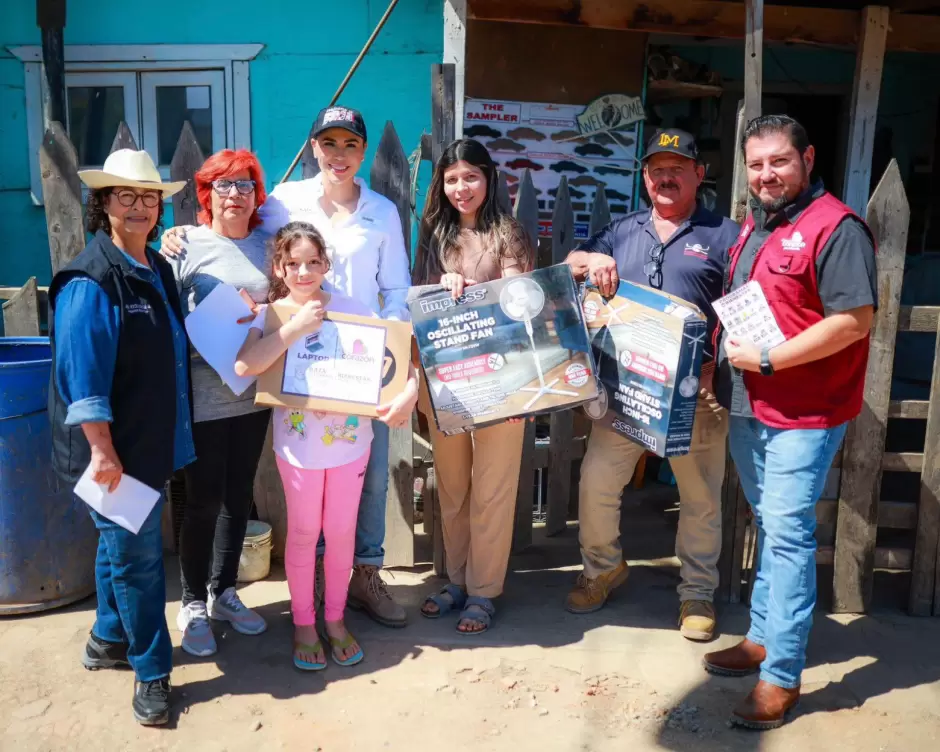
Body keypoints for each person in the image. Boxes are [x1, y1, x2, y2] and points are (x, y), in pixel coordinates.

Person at [163, 106, 413, 628]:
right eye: (329, 143)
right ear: (313, 148)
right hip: (287, 369)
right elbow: (232, 235)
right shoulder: (284, 202)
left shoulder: (382, 212)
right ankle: (302, 586)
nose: (338, 154)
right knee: (275, 493)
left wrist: (389, 365)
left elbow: (395, 290)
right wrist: (177, 235)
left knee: (363, 483)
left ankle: (363, 575)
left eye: (350, 144)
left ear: (363, 151)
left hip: (357, 367)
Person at [706, 115, 877, 730]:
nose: (766, 174)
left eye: (778, 161)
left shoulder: (837, 227)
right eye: (755, 164)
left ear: (806, 158)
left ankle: (781, 674)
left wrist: (771, 358)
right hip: (750, 405)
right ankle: (762, 637)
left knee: (787, 537)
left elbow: (855, 321)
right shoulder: (758, 224)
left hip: (804, 413)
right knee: (770, 527)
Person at [564, 128, 738, 642]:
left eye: (676, 169)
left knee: (700, 497)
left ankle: (697, 593)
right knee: (597, 482)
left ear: (698, 175)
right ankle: (602, 570)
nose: (666, 177)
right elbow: (570, 265)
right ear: (644, 177)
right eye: (657, 169)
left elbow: (744, 312)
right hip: (626, 390)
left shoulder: (726, 236)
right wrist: (592, 260)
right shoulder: (622, 231)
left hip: (695, 394)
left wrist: (719, 367)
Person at [48, 149, 194, 726]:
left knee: (122, 545)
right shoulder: (91, 280)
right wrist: (103, 452)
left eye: (148, 197)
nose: (139, 207)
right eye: (125, 196)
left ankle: (108, 637)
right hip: (110, 451)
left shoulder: (153, 266)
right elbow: (82, 381)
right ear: (103, 203)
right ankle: (151, 672)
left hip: (143, 440)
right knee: (139, 562)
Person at [234, 222, 418, 669]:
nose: (303, 272)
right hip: (298, 450)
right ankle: (303, 622)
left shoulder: (352, 308)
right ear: (279, 267)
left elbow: (399, 357)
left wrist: (410, 391)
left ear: (326, 265)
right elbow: (246, 365)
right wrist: (295, 327)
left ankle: (334, 619)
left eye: (313, 262)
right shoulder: (272, 315)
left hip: (350, 446)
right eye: (293, 263)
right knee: (302, 533)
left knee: (340, 534)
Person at [413, 138, 534, 634]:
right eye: (452, 179)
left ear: (489, 179)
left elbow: (520, 302)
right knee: (454, 486)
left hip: (501, 379)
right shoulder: (433, 234)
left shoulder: (508, 233)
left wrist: (476, 292)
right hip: (444, 381)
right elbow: (415, 302)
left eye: (471, 177)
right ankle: (458, 580)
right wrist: (437, 288)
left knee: (492, 489)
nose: (461, 188)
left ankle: (484, 590)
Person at [168, 149, 272, 657]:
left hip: (255, 394)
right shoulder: (186, 245)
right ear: (207, 195)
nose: (235, 195)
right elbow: (168, 315)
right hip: (204, 396)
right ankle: (191, 601)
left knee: (239, 495)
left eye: (245, 185)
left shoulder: (268, 244)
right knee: (203, 498)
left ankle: (224, 591)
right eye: (223, 185)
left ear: (257, 195)